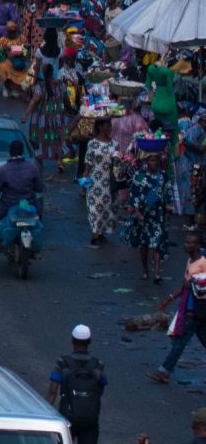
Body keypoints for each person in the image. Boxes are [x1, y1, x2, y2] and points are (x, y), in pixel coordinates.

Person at [149, 231, 206, 384]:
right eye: (186, 242)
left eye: (190, 243)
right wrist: (169, 299)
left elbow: (195, 286)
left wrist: (193, 283)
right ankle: (164, 372)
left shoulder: (202, 264)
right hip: (196, 310)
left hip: (195, 310)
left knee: (180, 341)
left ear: (198, 246)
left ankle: (164, 372)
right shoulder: (191, 261)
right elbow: (185, 285)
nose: (185, 244)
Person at [46, 324, 106, 444]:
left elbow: (53, 391)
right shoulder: (98, 364)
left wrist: (44, 412)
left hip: (67, 417)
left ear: (72, 340)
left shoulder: (62, 362)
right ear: (89, 341)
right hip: (90, 419)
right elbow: (101, 388)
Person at [122, 152, 173, 283]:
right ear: (146, 162)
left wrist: (169, 205)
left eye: (156, 160)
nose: (154, 163)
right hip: (144, 214)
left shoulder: (163, 176)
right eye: (151, 160)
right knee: (144, 243)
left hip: (158, 213)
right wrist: (137, 211)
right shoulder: (140, 176)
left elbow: (168, 192)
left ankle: (156, 273)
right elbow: (134, 194)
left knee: (156, 242)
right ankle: (145, 270)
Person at [0, 140, 44, 242]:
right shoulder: (32, 168)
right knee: (38, 210)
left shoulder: (3, 169)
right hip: (28, 205)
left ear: (10, 152)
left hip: (8, 205)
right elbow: (39, 188)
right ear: (22, 152)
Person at [22, 63, 71, 173]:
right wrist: (70, 111)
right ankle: (59, 162)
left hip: (42, 117)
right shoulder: (60, 85)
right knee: (59, 136)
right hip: (58, 115)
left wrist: (25, 115)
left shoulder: (40, 86)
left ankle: (39, 162)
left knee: (39, 137)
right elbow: (66, 99)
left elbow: (34, 101)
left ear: (43, 73)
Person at [81, 118, 118, 246]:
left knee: (108, 207)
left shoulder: (114, 144)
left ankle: (101, 232)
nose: (110, 129)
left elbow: (117, 163)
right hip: (96, 180)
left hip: (109, 180)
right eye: (107, 126)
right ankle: (95, 233)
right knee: (95, 207)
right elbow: (89, 161)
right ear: (101, 127)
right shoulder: (92, 143)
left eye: (110, 127)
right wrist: (86, 174)